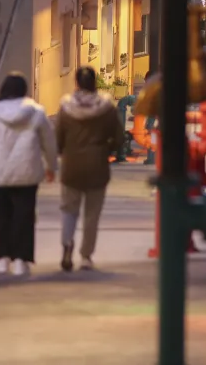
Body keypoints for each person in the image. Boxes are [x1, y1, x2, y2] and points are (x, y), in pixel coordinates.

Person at [0, 73, 57, 276]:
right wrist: (51, 166)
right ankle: (21, 260)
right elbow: (49, 143)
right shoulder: (37, 112)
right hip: (27, 173)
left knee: (1, 217)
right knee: (25, 216)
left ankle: (1, 257)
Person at [56, 66, 126, 271]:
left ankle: (67, 245)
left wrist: (64, 152)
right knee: (91, 214)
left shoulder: (66, 107)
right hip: (98, 166)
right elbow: (119, 137)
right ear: (95, 82)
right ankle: (86, 256)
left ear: (76, 83)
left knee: (69, 210)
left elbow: (57, 137)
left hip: (71, 167)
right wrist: (106, 149)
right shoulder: (106, 107)